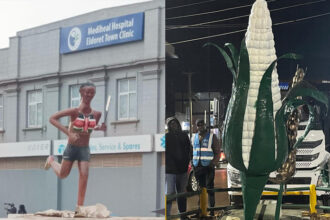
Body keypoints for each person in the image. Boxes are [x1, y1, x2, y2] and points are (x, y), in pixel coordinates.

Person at [44, 82, 106, 208]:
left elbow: (89, 127)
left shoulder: (97, 114)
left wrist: (100, 128)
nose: (89, 94)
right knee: (63, 174)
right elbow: (52, 119)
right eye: (87, 92)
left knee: (84, 175)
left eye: (92, 92)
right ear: (81, 93)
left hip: (84, 148)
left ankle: (79, 207)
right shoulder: (74, 111)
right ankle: (51, 161)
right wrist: (69, 133)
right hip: (72, 148)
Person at [192, 119, 220, 216]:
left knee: (210, 189)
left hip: (208, 167)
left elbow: (217, 152)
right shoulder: (194, 137)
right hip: (198, 167)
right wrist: (192, 164)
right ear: (196, 126)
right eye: (198, 125)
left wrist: (213, 163)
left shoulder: (212, 136)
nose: (200, 127)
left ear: (205, 125)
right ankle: (201, 211)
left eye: (202, 125)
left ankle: (211, 211)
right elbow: (192, 151)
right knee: (200, 189)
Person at [165, 117, 192, 220]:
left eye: (175, 123)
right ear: (169, 126)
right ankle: (166, 216)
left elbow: (189, 149)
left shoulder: (184, 136)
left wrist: (187, 161)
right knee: (169, 194)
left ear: (178, 124)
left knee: (181, 194)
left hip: (182, 171)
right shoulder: (165, 137)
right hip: (170, 171)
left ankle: (183, 216)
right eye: (171, 124)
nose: (173, 125)